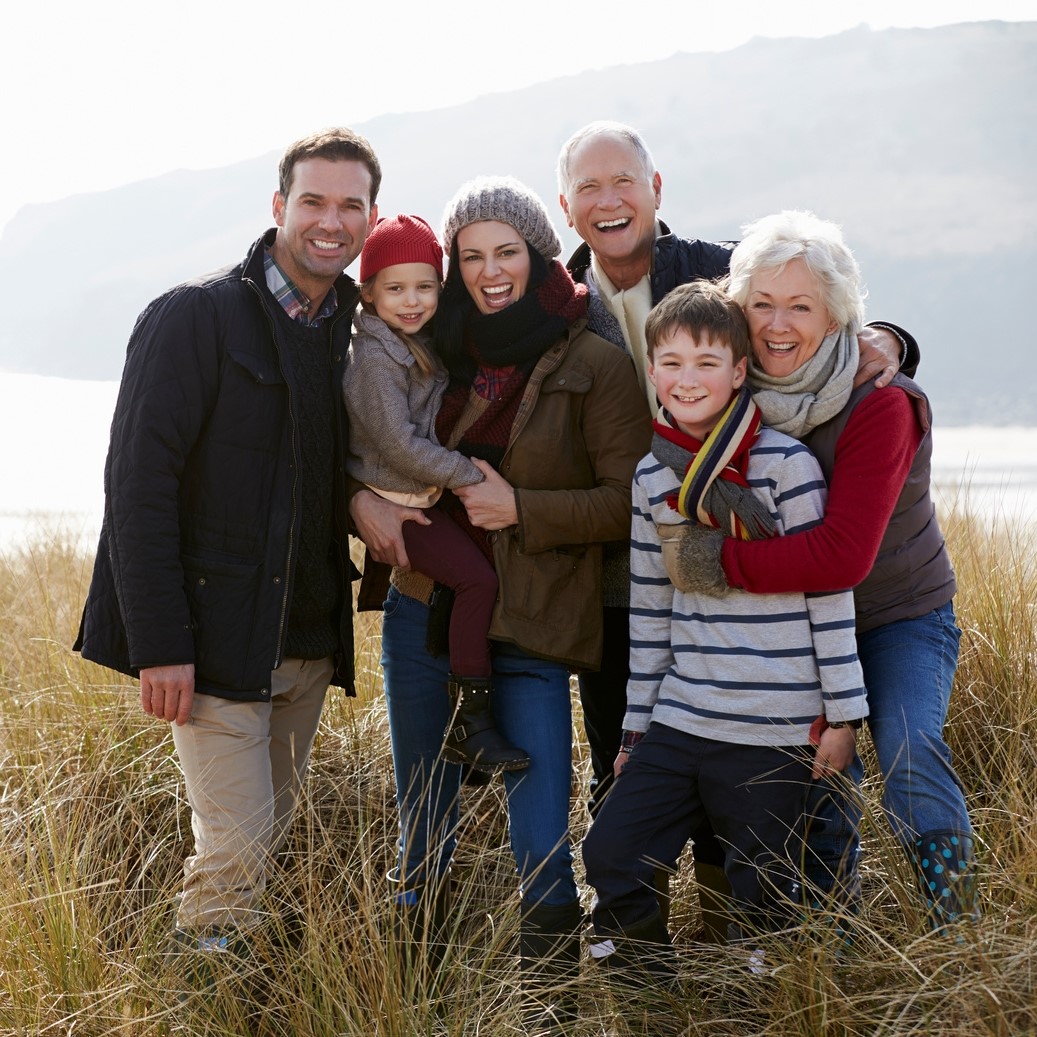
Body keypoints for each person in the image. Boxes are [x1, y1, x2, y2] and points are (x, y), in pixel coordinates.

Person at [556, 119, 914, 937]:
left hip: (747, 595)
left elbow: (809, 298)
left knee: (762, 844)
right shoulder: (561, 306)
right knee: (626, 777)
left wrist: (886, 338)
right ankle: (641, 971)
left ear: (655, 189)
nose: (608, 200)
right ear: (568, 206)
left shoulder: (715, 275)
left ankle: (742, 948)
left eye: (624, 182)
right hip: (625, 558)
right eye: (588, 187)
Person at [74, 128, 380, 949]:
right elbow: (137, 489)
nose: (330, 220)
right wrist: (159, 643)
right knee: (234, 861)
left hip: (307, 645)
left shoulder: (355, 332)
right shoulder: (194, 317)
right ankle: (204, 998)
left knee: (260, 845)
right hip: (213, 649)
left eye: (350, 204)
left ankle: (232, 992)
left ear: (370, 218)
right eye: (313, 200)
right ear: (279, 207)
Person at [367, 176, 649, 1028]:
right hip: (424, 609)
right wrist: (359, 499)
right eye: (471, 255)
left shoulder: (593, 360)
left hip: (531, 626)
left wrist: (522, 509)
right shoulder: (434, 345)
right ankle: (419, 998)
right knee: (422, 817)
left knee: (540, 839)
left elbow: (627, 501)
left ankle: (547, 1010)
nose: (490, 272)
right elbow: (368, 434)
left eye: (507, 252)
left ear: (536, 254)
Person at [670, 210, 978, 932]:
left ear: (837, 315)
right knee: (816, 773)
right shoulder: (732, 402)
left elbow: (843, 553)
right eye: (762, 304)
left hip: (899, 616)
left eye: (800, 306)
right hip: (798, 623)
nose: (778, 324)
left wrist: (716, 562)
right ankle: (833, 932)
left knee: (905, 743)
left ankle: (954, 921)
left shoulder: (882, 401)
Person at [582, 281, 867, 987]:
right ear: (651, 372)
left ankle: (757, 1004)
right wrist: (633, 731)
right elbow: (650, 612)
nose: (687, 378)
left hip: (770, 722)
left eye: (706, 362)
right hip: (682, 716)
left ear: (739, 371)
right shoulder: (652, 476)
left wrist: (843, 712)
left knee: (763, 888)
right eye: (671, 362)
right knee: (612, 850)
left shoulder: (785, 465)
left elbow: (827, 590)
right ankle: (646, 993)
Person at [343, 213, 529, 774]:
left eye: (425, 286)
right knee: (477, 580)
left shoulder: (415, 342)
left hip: (417, 494)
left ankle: (465, 720)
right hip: (397, 498)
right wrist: (469, 475)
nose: (412, 300)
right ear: (368, 292)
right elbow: (399, 446)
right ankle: (472, 722)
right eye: (395, 288)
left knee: (476, 577)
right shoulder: (373, 357)